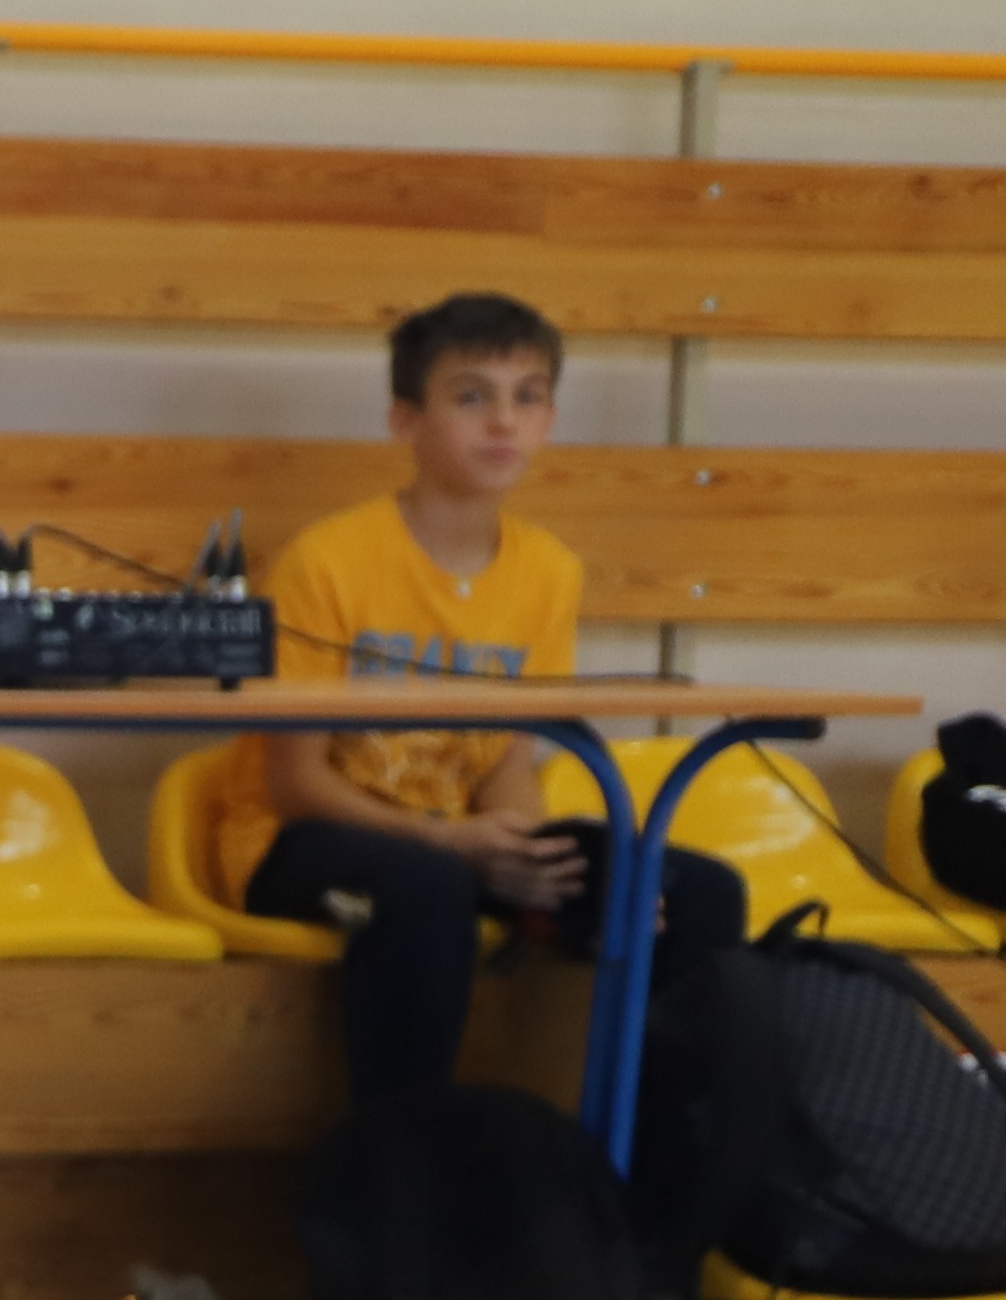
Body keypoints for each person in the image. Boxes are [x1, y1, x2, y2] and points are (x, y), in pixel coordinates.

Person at [243, 289, 743, 1105]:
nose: (504, 421)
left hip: (458, 842)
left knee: (689, 892)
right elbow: (295, 784)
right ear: (407, 420)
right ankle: (402, 1160)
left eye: (527, 397)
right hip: (301, 846)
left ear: (549, 419)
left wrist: (528, 853)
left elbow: (510, 759)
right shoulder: (325, 562)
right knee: (428, 887)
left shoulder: (549, 571)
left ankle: (644, 1169)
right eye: (472, 397)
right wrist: (451, 844)